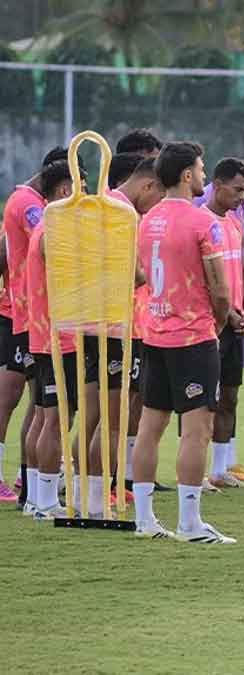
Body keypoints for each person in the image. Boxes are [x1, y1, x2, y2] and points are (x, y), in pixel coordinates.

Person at [130, 141, 233, 542]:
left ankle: (144, 520)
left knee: (150, 427)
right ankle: (189, 523)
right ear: (188, 175)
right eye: (202, 169)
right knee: (197, 429)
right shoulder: (201, 221)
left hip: (154, 335)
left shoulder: (148, 219)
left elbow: (140, 274)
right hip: (192, 338)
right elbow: (220, 289)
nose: (205, 175)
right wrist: (218, 324)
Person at [3, 149, 64, 507]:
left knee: (37, 403)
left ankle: (31, 486)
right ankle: (34, 489)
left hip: (29, 312)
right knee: (30, 402)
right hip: (30, 313)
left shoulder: (26, 200)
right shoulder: (32, 207)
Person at [106, 153, 167, 495]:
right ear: (148, 186)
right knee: (108, 416)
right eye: (159, 195)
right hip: (118, 324)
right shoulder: (120, 212)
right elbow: (132, 274)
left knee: (124, 409)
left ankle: (118, 480)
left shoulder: (118, 207)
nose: (158, 204)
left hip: (132, 322)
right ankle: (103, 486)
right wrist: (148, 274)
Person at [23, 160, 78, 518]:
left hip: (46, 335)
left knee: (45, 417)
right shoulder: (54, 229)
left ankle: (34, 498)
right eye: (81, 187)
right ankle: (44, 501)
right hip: (59, 338)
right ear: (64, 190)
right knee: (56, 420)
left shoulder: (46, 225)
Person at [200, 158, 244, 489]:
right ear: (218, 186)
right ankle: (196, 472)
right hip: (211, 323)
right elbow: (205, 279)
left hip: (236, 323)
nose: (242, 196)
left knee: (229, 397)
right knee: (203, 401)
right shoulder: (202, 222)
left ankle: (220, 469)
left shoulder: (235, 221)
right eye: (237, 189)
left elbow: (243, 269)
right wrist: (229, 313)